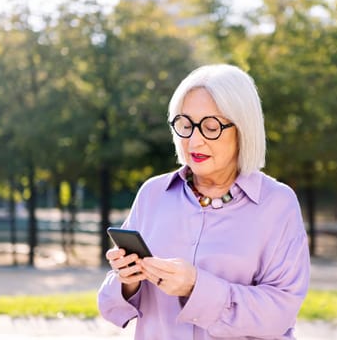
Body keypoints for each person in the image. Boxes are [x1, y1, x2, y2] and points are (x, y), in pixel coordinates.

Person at [98, 64, 310, 339]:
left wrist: (197, 287)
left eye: (211, 127)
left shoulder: (278, 204)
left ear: (243, 128)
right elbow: (111, 305)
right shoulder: (153, 193)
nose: (194, 141)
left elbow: (280, 313)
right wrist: (127, 282)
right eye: (185, 126)